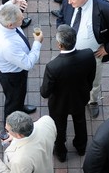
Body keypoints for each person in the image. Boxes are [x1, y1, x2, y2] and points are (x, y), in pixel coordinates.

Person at [57, 0, 109, 119]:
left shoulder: (105, 8)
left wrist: (108, 48)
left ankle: (92, 101)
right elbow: (61, 18)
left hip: (93, 55)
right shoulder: (68, 1)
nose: (68, 2)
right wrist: (62, 34)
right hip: (70, 52)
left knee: (94, 80)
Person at [40, 24, 95, 162]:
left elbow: (45, 92)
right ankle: (81, 147)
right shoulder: (88, 54)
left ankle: (61, 152)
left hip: (59, 104)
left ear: (59, 45)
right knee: (80, 122)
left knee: (59, 128)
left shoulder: (53, 67)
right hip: (79, 98)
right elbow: (91, 77)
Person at [0, 0, 43, 125]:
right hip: (13, 75)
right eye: (20, 19)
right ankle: (9, 125)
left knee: (19, 96)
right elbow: (28, 63)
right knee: (12, 100)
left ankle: (20, 107)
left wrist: (12, 3)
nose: (23, 17)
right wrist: (37, 43)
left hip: (15, 69)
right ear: (10, 25)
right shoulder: (7, 45)